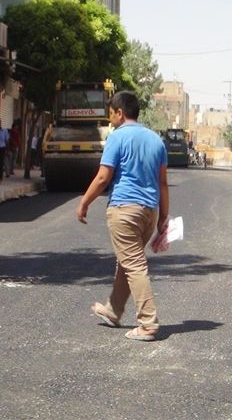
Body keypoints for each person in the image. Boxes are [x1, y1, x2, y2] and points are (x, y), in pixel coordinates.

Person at [76, 91, 169, 342]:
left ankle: (148, 323)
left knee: (134, 264)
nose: (111, 119)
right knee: (127, 260)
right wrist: (163, 217)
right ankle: (114, 310)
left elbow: (104, 177)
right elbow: (163, 183)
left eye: (111, 113)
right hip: (149, 211)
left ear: (120, 112)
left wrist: (84, 202)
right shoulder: (156, 140)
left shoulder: (117, 137)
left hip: (125, 210)